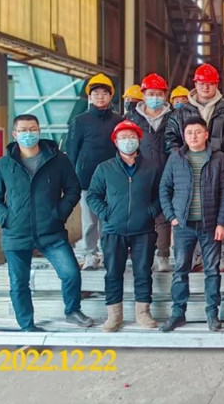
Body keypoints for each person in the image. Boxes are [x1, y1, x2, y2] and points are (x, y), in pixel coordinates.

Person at [0, 114, 93, 331]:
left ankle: (72, 310)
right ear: (15, 134)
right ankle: (27, 325)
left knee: (70, 272)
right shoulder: (3, 164)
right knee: (18, 282)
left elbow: (73, 189)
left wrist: (59, 213)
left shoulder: (57, 160)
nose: (28, 134)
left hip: (51, 231)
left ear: (39, 131)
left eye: (32, 129)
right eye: (23, 130)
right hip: (16, 234)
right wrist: (7, 219)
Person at [166, 63, 224, 271]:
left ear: (216, 85)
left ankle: (222, 255)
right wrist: (182, 159)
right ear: (195, 84)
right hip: (188, 169)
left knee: (220, 209)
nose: (206, 87)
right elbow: (171, 138)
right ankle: (193, 257)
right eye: (201, 83)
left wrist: (220, 159)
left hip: (217, 169)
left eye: (210, 83)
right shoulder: (181, 112)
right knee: (191, 209)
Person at [86, 120, 161, 332]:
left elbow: (161, 194)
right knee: (113, 273)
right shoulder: (105, 168)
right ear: (115, 142)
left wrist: (150, 211)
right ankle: (114, 315)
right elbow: (92, 196)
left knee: (143, 272)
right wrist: (106, 214)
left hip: (143, 230)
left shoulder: (152, 167)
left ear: (139, 139)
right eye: (123, 138)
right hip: (113, 230)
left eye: (131, 137)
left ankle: (143, 313)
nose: (127, 141)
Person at [158, 117, 224, 332]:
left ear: (206, 134)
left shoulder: (219, 158)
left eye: (198, 132)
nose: (193, 136)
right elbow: (164, 189)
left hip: (210, 225)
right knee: (180, 270)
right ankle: (177, 313)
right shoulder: (176, 158)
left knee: (212, 271)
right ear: (184, 136)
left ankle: (212, 314)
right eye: (189, 133)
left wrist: (222, 223)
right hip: (183, 225)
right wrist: (172, 216)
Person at [66, 73, 124, 270]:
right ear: (89, 97)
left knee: (110, 218)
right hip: (86, 179)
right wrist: (71, 179)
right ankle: (90, 254)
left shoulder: (118, 120)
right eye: (96, 93)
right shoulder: (79, 121)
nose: (100, 97)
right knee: (89, 220)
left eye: (104, 93)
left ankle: (108, 253)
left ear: (111, 96)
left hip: (113, 179)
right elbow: (72, 151)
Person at [126, 73, 174, 272]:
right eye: (151, 93)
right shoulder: (132, 118)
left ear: (165, 96)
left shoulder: (173, 117)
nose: (155, 97)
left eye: (159, 94)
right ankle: (144, 256)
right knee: (142, 216)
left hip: (166, 172)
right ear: (143, 95)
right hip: (140, 173)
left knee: (163, 215)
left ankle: (163, 256)